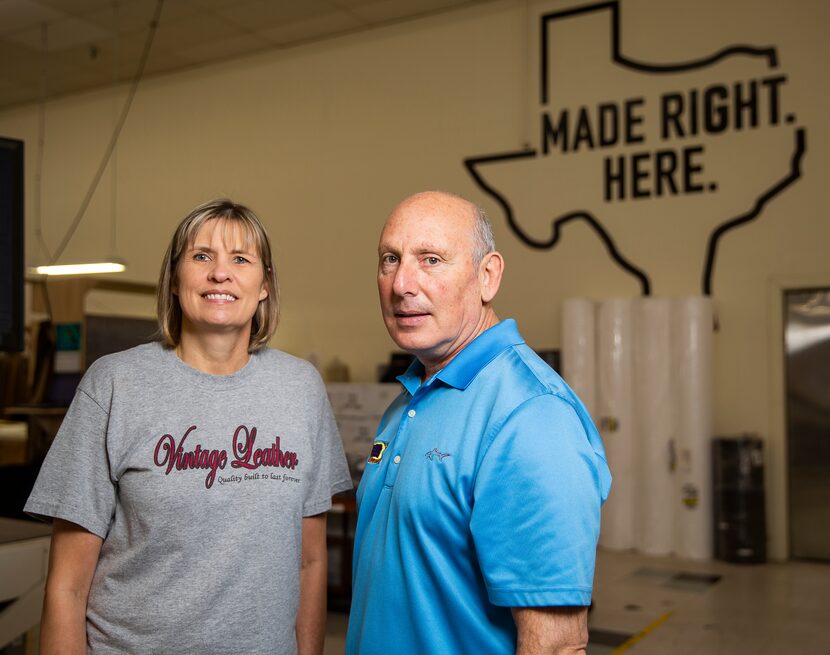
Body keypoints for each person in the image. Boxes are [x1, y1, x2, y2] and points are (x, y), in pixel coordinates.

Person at [25, 199, 352, 655]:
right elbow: (67, 586)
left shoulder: (300, 388)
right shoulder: (115, 383)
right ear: (175, 280)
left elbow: (311, 563)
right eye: (202, 257)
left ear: (264, 285)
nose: (221, 273)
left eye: (241, 259)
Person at [345, 191, 611, 655]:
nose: (402, 283)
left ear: (488, 276)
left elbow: (556, 645)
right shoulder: (411, 398)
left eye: (430, 260)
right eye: (391, 259)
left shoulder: (530, 416)